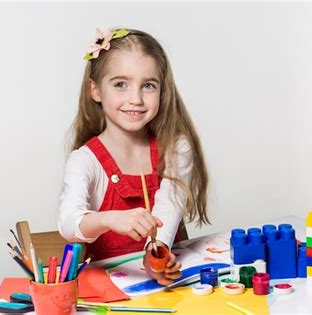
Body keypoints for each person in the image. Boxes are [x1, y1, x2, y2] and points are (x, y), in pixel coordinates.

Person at [59, 28, 209, 285]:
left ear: (162, 91)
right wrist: (109, 218)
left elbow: (168, 208)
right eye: (120, 84)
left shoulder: (176, 148)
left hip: (168, 286)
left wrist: (156, 257)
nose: (136, 98)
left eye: (148, 85)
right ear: (95, 90)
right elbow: (69, 224)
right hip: (112, 292)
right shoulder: (84, 160)